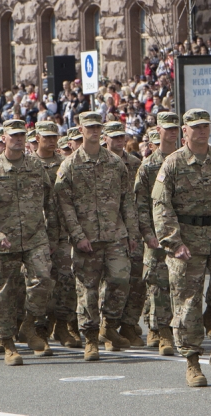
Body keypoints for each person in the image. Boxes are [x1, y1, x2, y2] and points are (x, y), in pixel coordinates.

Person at [151, 108, 211, 388]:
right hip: (186, 240)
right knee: (188, 303)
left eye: (205, 126)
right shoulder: (173, 163)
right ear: (185, 131)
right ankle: (192, 362)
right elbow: (161, 205)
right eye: (196, 126)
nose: (202, 131)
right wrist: (173, 242)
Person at [0, 119, 58, 365]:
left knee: (43, 279)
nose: (19, 139)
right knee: (3, 294)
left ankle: (29, 325)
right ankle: (8, 343)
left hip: (34, 237)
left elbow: (49, 201)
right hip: (3, 241)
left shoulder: (35, 165)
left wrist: (50, 234)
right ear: (4, 138)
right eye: (14, 136)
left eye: (22, 135)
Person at [55, 111, 136, 359]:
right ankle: (90, 338)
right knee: (87, 291)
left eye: (97, 127)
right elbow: (64, 205)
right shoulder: (69, 165)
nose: (94, 131)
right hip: (86, 238)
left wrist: (131, 233)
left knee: (121, 280)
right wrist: (78, 235)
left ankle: (108, 326)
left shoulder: (115, 163)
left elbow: (127, 201)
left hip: (114, 235)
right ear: (80, 130)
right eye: (89, 127)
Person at [30, 121, 81, 349]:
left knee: (67, 280)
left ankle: (62, 325)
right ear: (37, 138)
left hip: (62, 233)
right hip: (36, 235)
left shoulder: (65, 164)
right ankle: (38, 328)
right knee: (41, 283)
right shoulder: (30, 165)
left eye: (54, 137)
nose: (51, 141)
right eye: (46, 137)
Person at [134, 114, 180, 356]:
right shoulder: (149, 166)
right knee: (158, 284)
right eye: (168, 129)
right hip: (156, 234)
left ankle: (179, 329)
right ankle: (162, 332)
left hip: (181, 233)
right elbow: (140, 204)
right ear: (158, 131)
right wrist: (147, 233)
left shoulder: (184, 160)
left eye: (176, 129)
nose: (173, 133)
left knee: (180, 284)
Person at [103, 120, 150, 348]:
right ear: (106, 139)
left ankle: (129, 325)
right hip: (110, 229)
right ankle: (109, 327)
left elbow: (141, 196)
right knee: (113, 280)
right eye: (114, 136)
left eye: (121, 136)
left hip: (134, 227)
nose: (119, 140)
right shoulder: (101, 163)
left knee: (137, 279)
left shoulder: (135, 163)